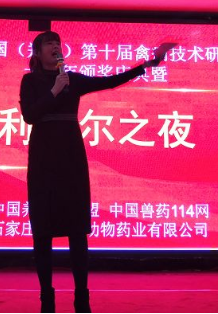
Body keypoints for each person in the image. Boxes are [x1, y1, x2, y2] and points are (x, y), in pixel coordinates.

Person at [19, 31, 170, 313]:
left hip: (71, 158)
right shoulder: (30, 81)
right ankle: (46, 299)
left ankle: (82, 298)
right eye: (49, 43)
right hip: (42, 160)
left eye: (58, 43)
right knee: (42, 232)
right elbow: (30, 115)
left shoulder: (72, 79)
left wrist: (148, 65)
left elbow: (110, 81)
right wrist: (54, 91)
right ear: (37, 53)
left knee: (77, 231)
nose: (55, 46)